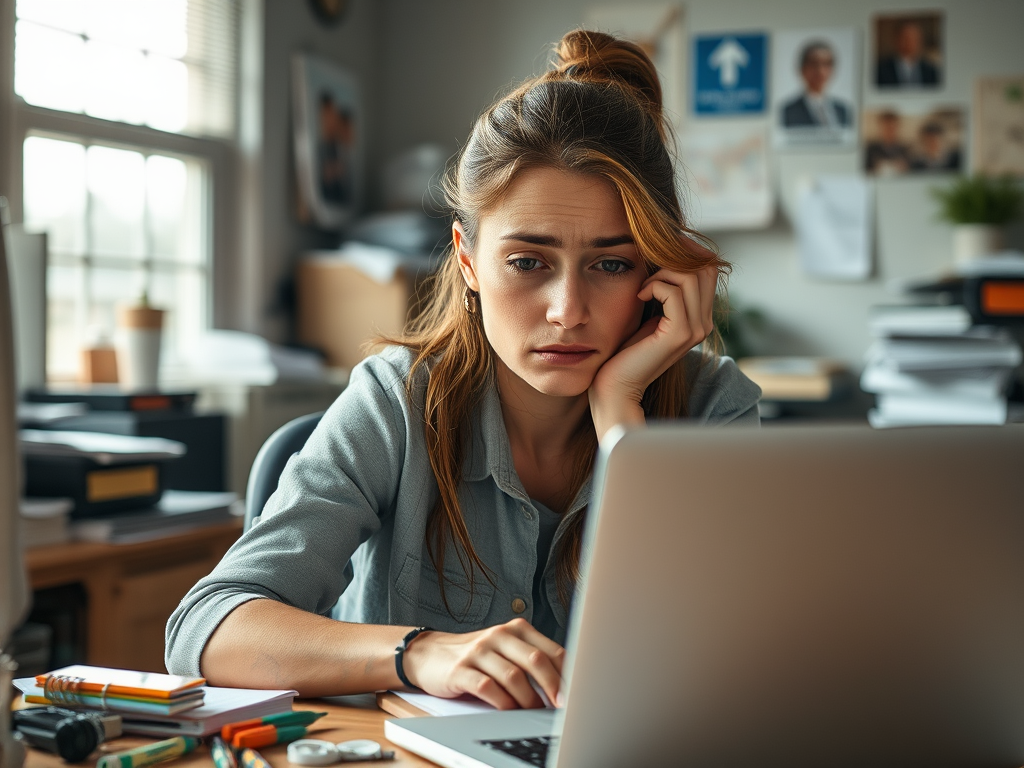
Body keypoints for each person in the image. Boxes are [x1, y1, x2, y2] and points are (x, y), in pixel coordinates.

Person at [165, 30, 761, 711]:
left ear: (659, 269)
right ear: (470, 261)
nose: (568, 311)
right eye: (528, 261)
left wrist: (625, 421)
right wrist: (418, 652)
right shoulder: (399, 399)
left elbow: (738, 668)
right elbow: (206, 627)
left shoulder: (717, 409)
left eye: (612, 263)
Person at [781, 41, 852, 129]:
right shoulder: (788, 112)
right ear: (802, 69)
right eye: (814, 64)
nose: (820, 71)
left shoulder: (842, 110)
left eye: (826, 64)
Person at [876, 20, 940, 88]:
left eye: (915, 38)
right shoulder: (881, 70)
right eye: (907, 37)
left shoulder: (931, 71)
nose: (911, 42)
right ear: (897, 39)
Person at [864, 110, 910, 175]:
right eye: (886, 127)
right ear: (880, 128)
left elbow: (911, 173)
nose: (889, 131)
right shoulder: (870, 150)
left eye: (892, 127)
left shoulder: (905, 150)